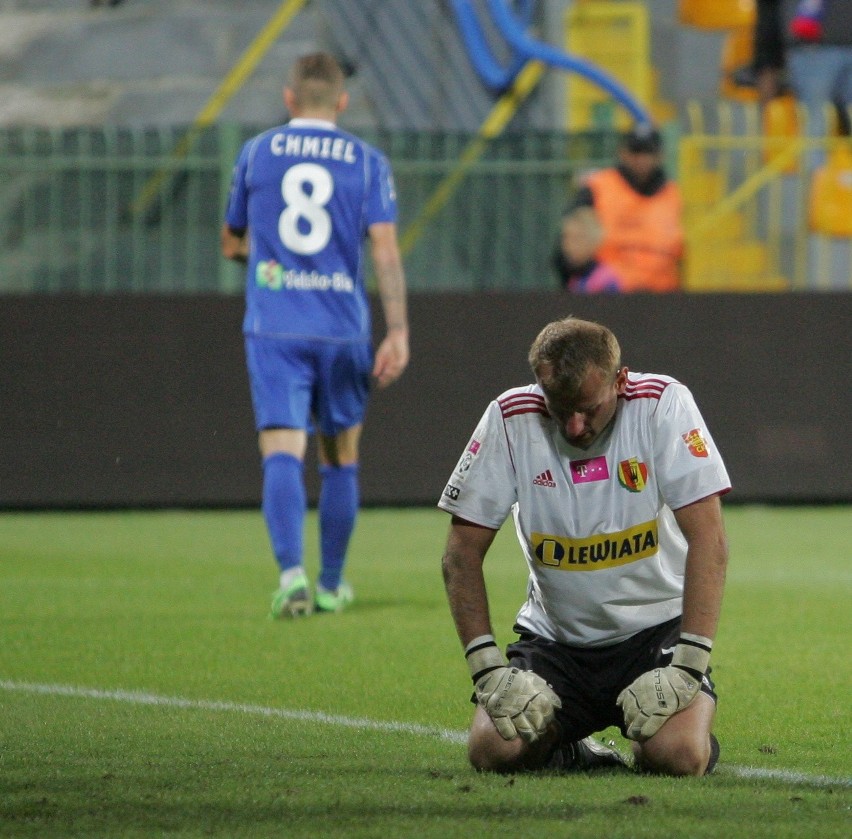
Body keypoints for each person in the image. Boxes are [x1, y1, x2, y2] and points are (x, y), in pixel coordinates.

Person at [438, 316, 730, 776]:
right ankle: (573, 750)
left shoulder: (662, 405)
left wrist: (689, 664)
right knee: (491, 752)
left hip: (655, 635)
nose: (574, 427)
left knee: (680, 756)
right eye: (559, 407)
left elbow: (709, 539)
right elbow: (460, 553)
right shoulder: (511, 417)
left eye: (589, 408)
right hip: (556, 643)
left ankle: (671, 733)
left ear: (620, 379)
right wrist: (487, 667)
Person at [221, 52, 409, 618]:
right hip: (341, 329)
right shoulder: (367, 161)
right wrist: (397, 330)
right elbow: (384, 251)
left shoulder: (256, 153)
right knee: (339, 456)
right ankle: (330, 584)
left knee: (281, 448)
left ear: (288, 98)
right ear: (342, 102)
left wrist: (274, 259)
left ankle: (291, 575)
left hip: (275, 326)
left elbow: (232, 243)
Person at [562, 125, 684, 293]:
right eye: (636, 151)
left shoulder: (672, 194)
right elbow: (570, 239)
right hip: (607, 292)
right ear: (623, 153)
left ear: (659, 156)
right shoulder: (598, 187)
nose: (641, 159)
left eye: (648, 153)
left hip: (663, 296)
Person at [753, 0, 852, 136]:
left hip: (838, 44)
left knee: (819, 120)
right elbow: (768, 14)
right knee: (816, 122)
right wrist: (767, 62)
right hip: (811, 50)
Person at [551, 207, 626, 293]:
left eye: (576, 239)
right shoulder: (572, 277)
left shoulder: (606, 281)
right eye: (566, 238)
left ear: (592, 240)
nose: (568, 246)